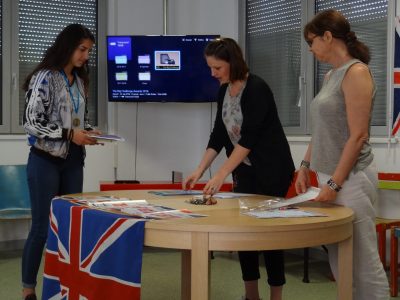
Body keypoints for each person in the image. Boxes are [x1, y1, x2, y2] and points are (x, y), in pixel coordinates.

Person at [183, 37, 295, 300]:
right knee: (244, 231)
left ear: (233, 63)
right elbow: (219, 135)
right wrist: (200, 170)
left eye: (217, 68)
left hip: (271, 169)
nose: (213, 74)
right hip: (244, 170)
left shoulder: (257, 88)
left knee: (269, 236)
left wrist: (220, 174)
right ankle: (251, 295)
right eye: (210, 68)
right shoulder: (224, 90)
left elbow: (248, 139)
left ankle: (275, 296)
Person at [296, 9, 389, 300]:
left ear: (328, 36)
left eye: (312, 41)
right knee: (339, 257)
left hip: (351, 178)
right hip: (329, 176)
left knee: (363, 260)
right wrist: (304, 165)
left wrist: (335, 183)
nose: (310, 49)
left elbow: (358, 134)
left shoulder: (356, 72)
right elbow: (321, 130)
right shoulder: (330, 76)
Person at [21, 24, 101, 300]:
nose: (85, 56)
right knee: (42, 228)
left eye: (88, 50)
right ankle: (28, 288)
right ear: (67, 46)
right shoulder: (44, 77)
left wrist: (87, 132)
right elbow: (31, 123)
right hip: (45, 161)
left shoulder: (79, 81)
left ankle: (66, 285)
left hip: (73, 161)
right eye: (82, 49)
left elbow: (76, 120)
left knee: (70, 226)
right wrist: (70, 134)